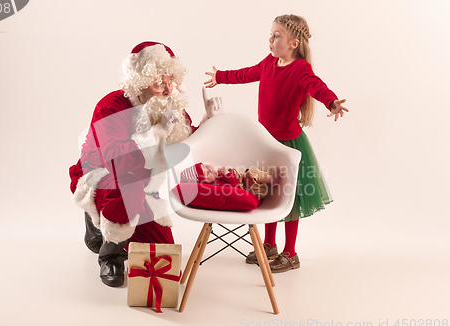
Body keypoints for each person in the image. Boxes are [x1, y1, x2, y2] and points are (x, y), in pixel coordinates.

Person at [69, 41, 223, 287]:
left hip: (148, 183)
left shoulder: (169, 104)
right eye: (159, 83)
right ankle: (111, 253)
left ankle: (106, 228)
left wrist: (209, 122)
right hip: (106, 176)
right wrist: (156, 135)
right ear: (141, 82)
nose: (167, 89)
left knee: (162, 254)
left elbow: (185, 141)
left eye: (170, 80)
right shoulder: (111, 106)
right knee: (128, 186)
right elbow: (115, 159)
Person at [204, 14, 349, 273]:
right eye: (270, 34)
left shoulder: (300, 68)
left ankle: (290, 253)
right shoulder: (269, 63)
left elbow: (316, 86)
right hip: (267, 142)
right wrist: (221, 76)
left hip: (289, 144)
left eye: (277, 35)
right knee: (267, 191)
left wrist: (331, 101)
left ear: (293, 43)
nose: (270, 39)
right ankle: (269, 244)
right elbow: (247, 73)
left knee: (290, 198)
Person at [180, 162, 280, 199]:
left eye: (206, 166)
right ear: (205, 183)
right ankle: (272, 180)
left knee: (257, 170)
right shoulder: (216, 186)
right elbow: (234, 186)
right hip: (253, 190)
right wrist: (227, 174)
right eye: (207, 174)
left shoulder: (218, 176)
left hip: (257, 184)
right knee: (251, 174)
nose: (210, 169)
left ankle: (270, 180)